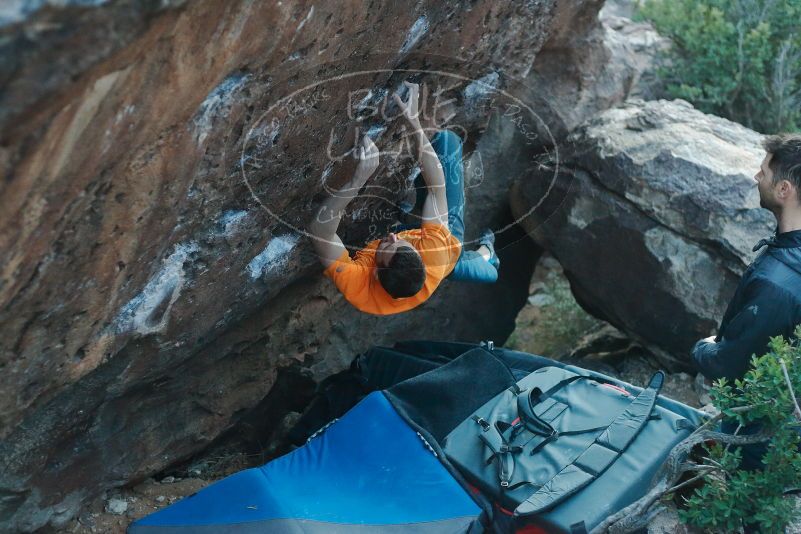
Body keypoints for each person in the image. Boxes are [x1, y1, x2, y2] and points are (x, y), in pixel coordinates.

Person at [308, 81, 500, 315]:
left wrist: (356, 181)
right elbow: (436, 186)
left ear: (376, 274)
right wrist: (413, 121)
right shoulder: (433, 249)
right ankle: (486, 256)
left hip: (437, 255)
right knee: (446, 142)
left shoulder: (360, 288)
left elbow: (320, 232)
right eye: (398, 242)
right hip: (444, 251)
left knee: (461, 265)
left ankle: (486, 256)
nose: (390, 236)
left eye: (387, 245)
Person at [692, 133, 801, 468]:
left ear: (784, 190)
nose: (756, 178)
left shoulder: (777, 285)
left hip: (762, 422)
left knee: (752, 506)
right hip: (785, 409)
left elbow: (731, 364)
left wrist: (703, 348)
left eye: (764, 173)